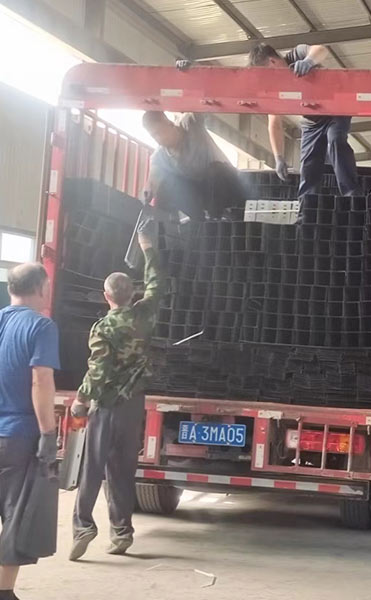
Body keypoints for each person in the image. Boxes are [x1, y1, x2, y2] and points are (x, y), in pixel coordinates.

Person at [69, 219, 164, 561]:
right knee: (122, 471)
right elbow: (157, 283)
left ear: (106, 296)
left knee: (92, 468)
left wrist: (80, 400)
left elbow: (98, 371)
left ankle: (83, 527)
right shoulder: (145, 316)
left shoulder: (103, 328)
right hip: (134, 405)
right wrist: (148, 248)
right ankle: (122, 532)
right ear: (132, 294)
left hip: (106, 406)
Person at [0, 263, 59, 600]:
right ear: (41, 288)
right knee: (15, 515)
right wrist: (48, 434)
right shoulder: (41, 325)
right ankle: (4, 591)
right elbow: (41, 380)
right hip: (17, 437)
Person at [248, 43, 359, 197]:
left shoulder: (297, 55)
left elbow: (321, 49)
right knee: (309, 165)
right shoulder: (275, 87)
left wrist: (309, 61)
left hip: (335, 111)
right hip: (311, 122)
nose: (268, 80)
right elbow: (274, 122)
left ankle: (352, 195)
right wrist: (278, 157)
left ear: (272, 62)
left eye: (266, 74)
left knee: (335, 139)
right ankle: (306, 206)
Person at [142, 111, 246, 220]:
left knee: (215, 169)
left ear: (170, 123)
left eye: (160, 132)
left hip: (227, 187)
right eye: (154, 135)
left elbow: (199, 108)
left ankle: (216, 217)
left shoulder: (190, 124)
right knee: (166, 184)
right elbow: (153, 176)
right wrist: (149, 187)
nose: (159, 138)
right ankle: (181, 224)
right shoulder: (160, 156)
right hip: (202, 196)